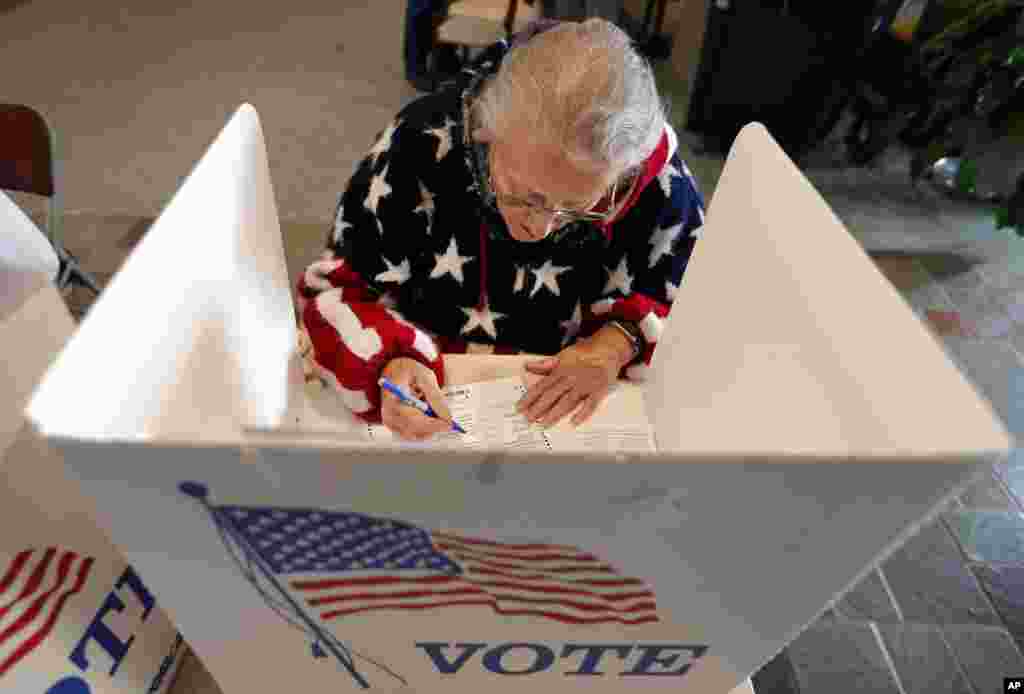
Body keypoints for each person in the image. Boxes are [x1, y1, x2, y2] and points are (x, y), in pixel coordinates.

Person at [298, 18, 705, 441]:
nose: (542, 229)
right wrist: (388, 362)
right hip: (432, 387)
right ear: (486, 131)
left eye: (578, 209)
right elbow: (331, 295)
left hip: (572, 423)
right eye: (525, 196)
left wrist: (617, 342)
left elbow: (704, 316)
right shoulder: (420, 143)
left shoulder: (654, 180)